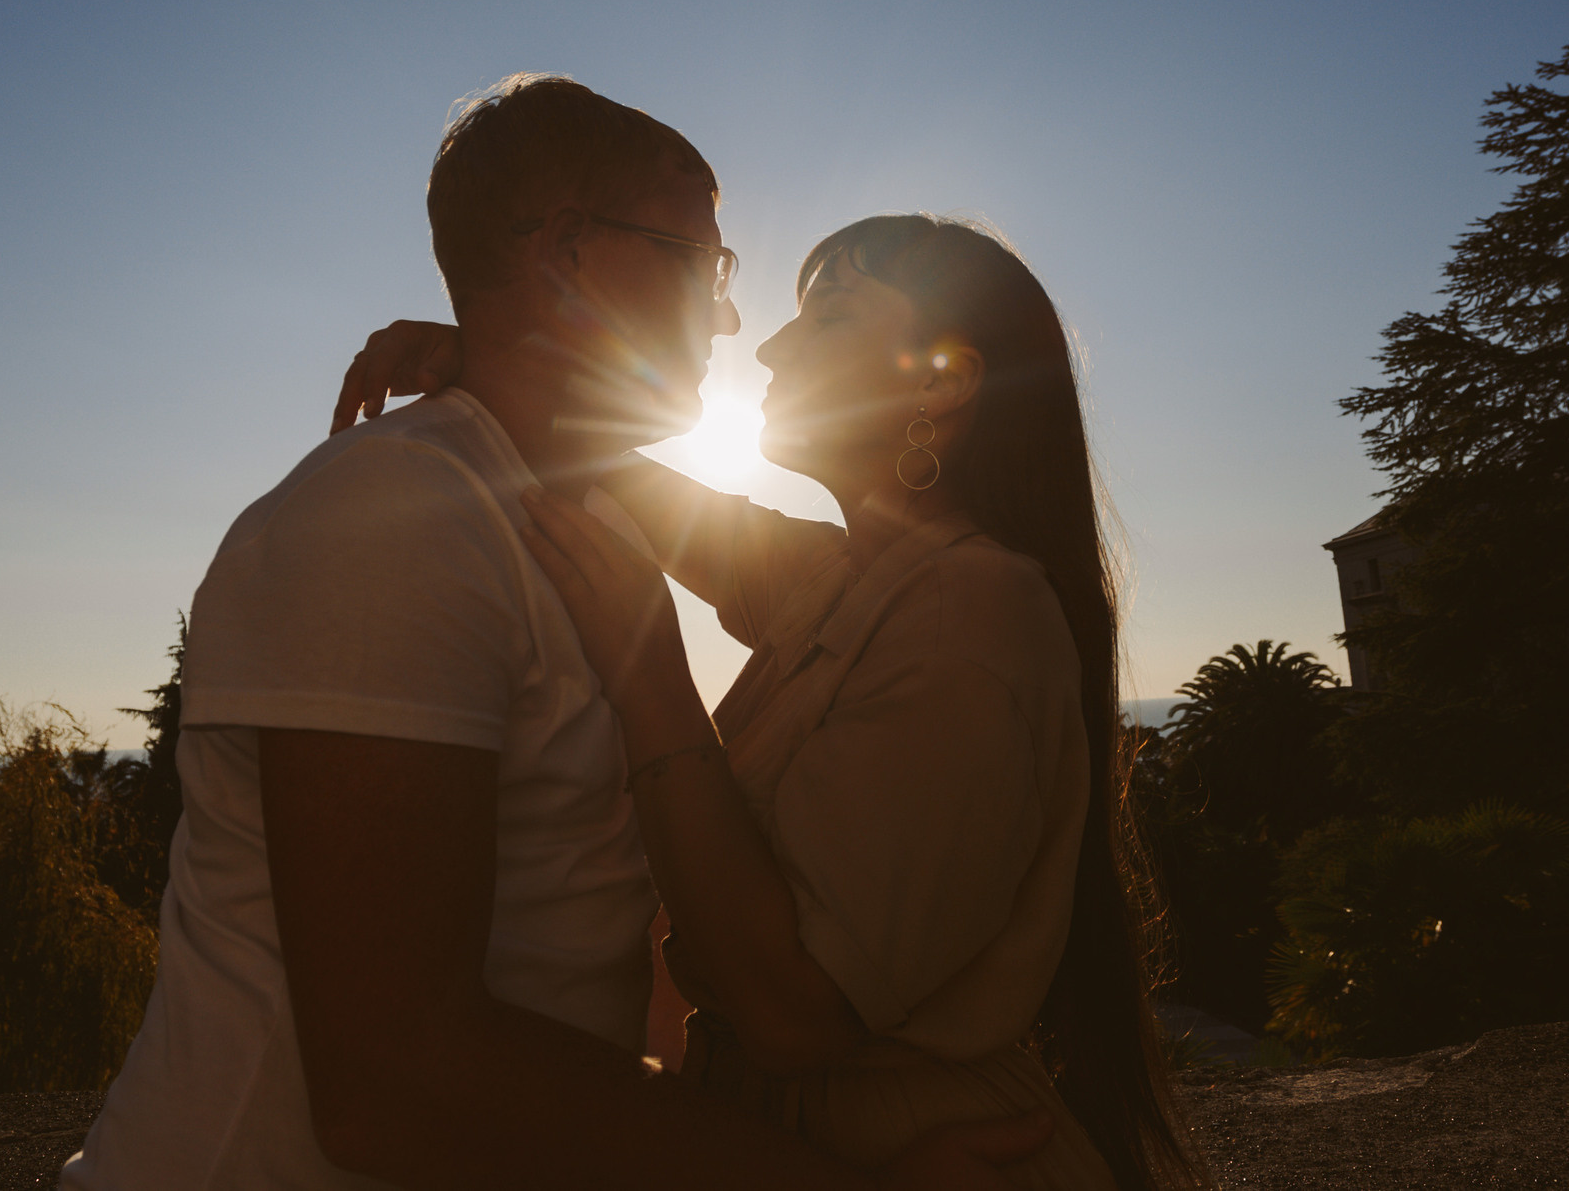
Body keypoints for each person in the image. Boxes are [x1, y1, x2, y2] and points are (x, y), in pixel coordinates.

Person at [63, 77, 1054, 1191]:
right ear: (573, 252)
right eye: (702, 261)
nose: (738, 325)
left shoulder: (906, 591)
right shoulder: (394, 527)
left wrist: (499, 365)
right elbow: (398, 1083)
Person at [331, 215, 1207, 1189]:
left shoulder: (975, 613)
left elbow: (794, 1013)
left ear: (938, 382)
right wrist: (488, 369)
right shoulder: (844, 578)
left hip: (913, 1149)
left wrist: (648, 670)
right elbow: (647, 496)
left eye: (826, 319)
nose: (772, 345)